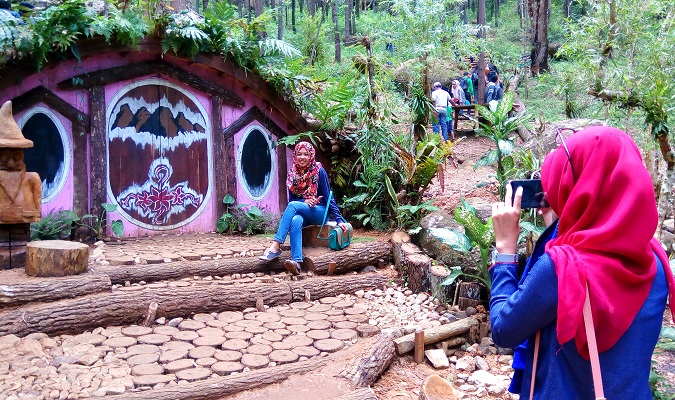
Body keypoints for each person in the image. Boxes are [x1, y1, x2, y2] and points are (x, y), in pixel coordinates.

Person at [490, 126, 675, 400]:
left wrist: (505, 250)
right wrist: (563, 225)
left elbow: (504, 329)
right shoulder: (656, 261)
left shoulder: (561, 268)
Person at [259, 142, 349, 275]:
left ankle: (276, 246)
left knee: (292, 207)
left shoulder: (319, 170)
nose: (302, 157)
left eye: (306, 154)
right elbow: (293, 201)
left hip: (320, 211)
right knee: (295, 220)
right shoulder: (293, 174)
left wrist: (339, 219)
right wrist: (305, 201)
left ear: (311, 155)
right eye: (299, 154)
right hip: (304, 210)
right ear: (295, 155)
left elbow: (328, 196)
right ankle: (297, 263)